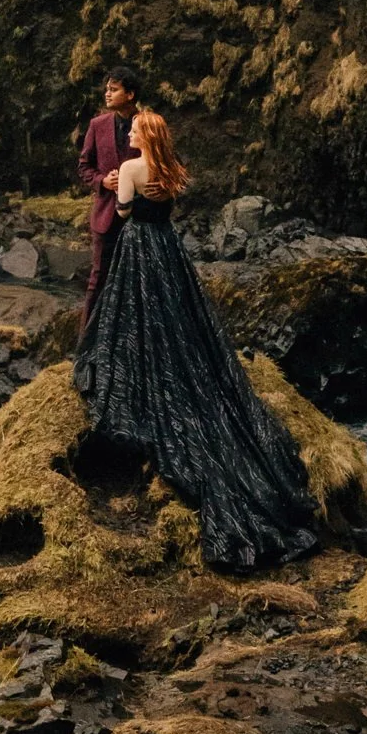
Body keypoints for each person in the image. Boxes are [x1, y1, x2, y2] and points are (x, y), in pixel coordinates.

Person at [74, 107, 318, 572]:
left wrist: (126, 200)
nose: (132, 136)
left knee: (133, 312)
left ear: (145, 135)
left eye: (137, 131)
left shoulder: (129, 168)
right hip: (168, 248)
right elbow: (163, 207)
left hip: (139, 246)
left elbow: (124, 211)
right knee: (179, 316)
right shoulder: (172, 170)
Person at [76, 67, 139, 326]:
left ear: (131, 94)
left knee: (137, 280)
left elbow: (164, 165)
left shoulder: (148, 124)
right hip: (105, 216)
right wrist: (103, 180)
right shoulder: (97, 125)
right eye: (107, 89)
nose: (107, 94)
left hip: (140, 217)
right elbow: (84, 167)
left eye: (114, 90)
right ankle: (86, 344)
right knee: (98, 279)